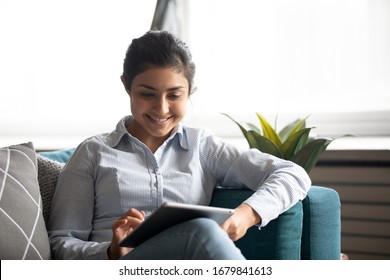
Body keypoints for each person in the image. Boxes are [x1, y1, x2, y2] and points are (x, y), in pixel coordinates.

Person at [47, 30, 311, 260]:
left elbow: (292, 174)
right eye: (147, 94)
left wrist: (244, 216)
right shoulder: (94, 152)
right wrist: (111, 251)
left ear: (190, 92)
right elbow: (61, 244)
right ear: (126, 86)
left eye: (174, 95)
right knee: (203, 231)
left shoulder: (202, 147)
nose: (161, 108)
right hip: (122, 267)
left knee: (202, 234)